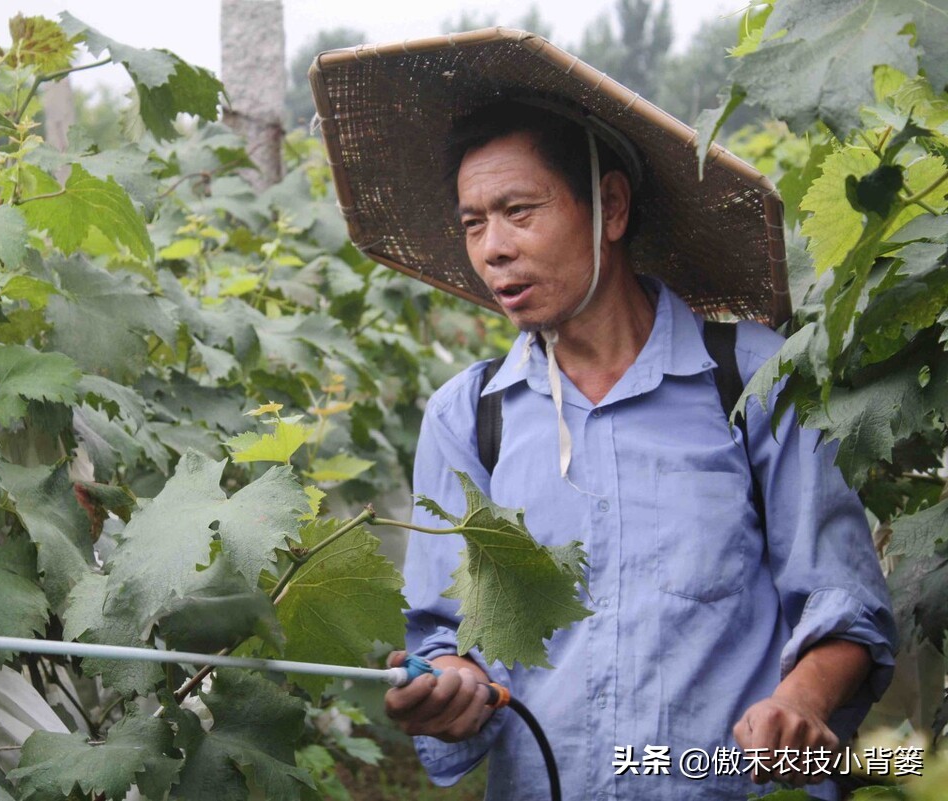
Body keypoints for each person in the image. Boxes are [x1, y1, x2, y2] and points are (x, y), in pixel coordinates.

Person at [309, 29, 898, 801]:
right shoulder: (469, 416)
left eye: (518, 210)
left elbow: (843, 603)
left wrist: (802, 701)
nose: (492, 250)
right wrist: (449, 687)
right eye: (472, 223)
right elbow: (449, 641)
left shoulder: (752, 377)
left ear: (610, 207)